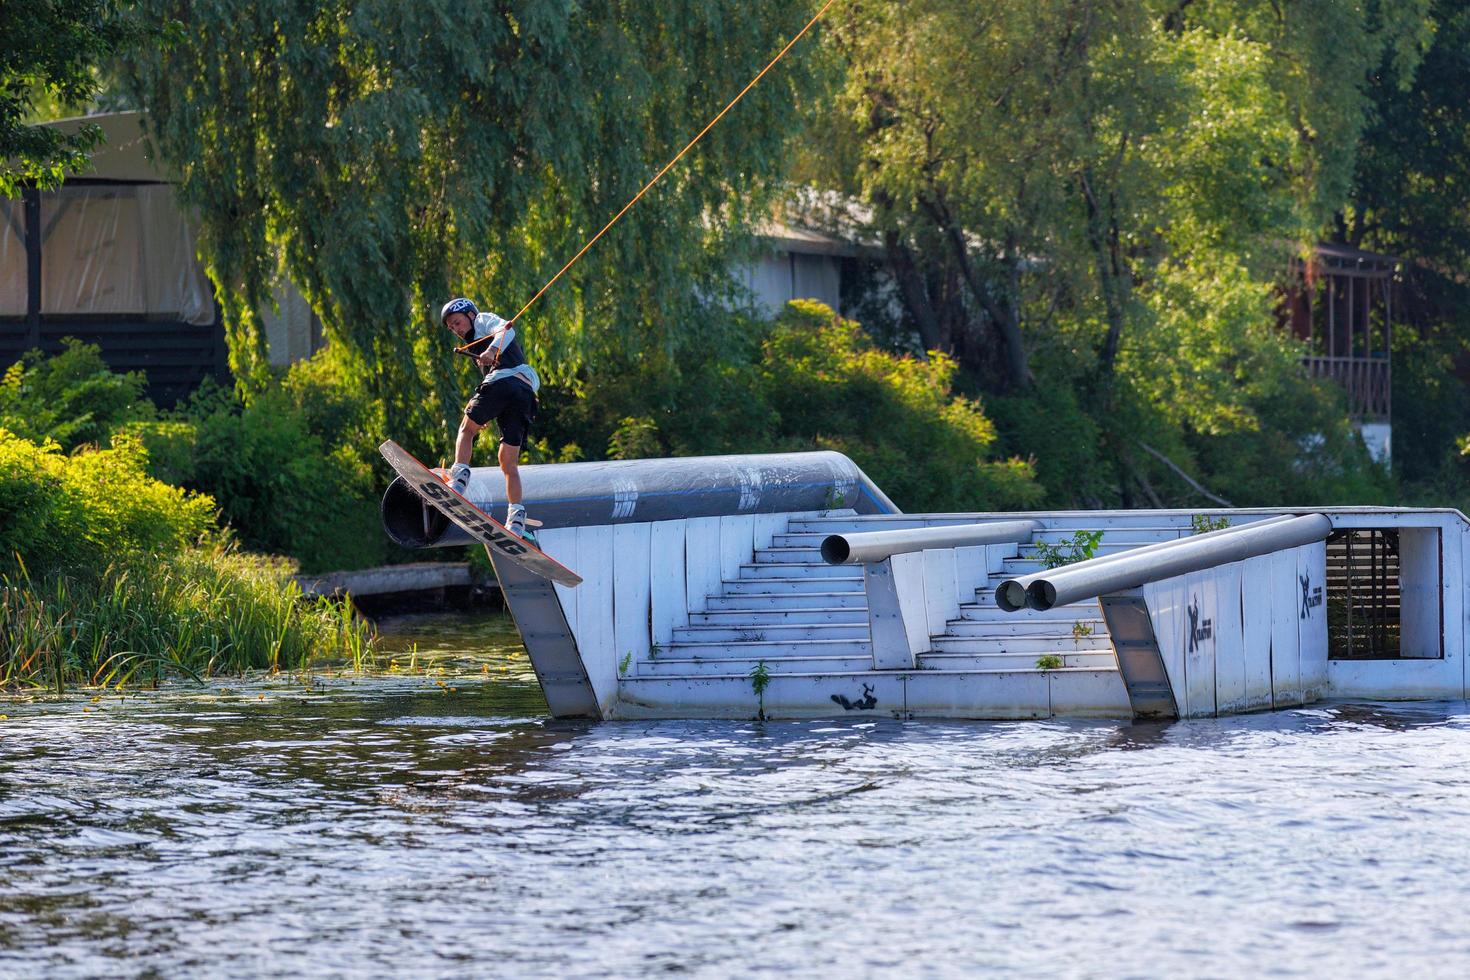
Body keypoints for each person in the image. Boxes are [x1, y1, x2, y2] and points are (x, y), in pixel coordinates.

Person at [439, 297, 541, 541]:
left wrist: (492, 350)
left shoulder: (483, 320)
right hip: (524, 394)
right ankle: (516, 518)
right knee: (507, 460)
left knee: (466, 428)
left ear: (470, 314)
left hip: (506, 381)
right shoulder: (475, 342)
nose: (457, 329)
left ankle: (459, 480)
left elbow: (507, 328)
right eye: (452, 328)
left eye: (457, 322)